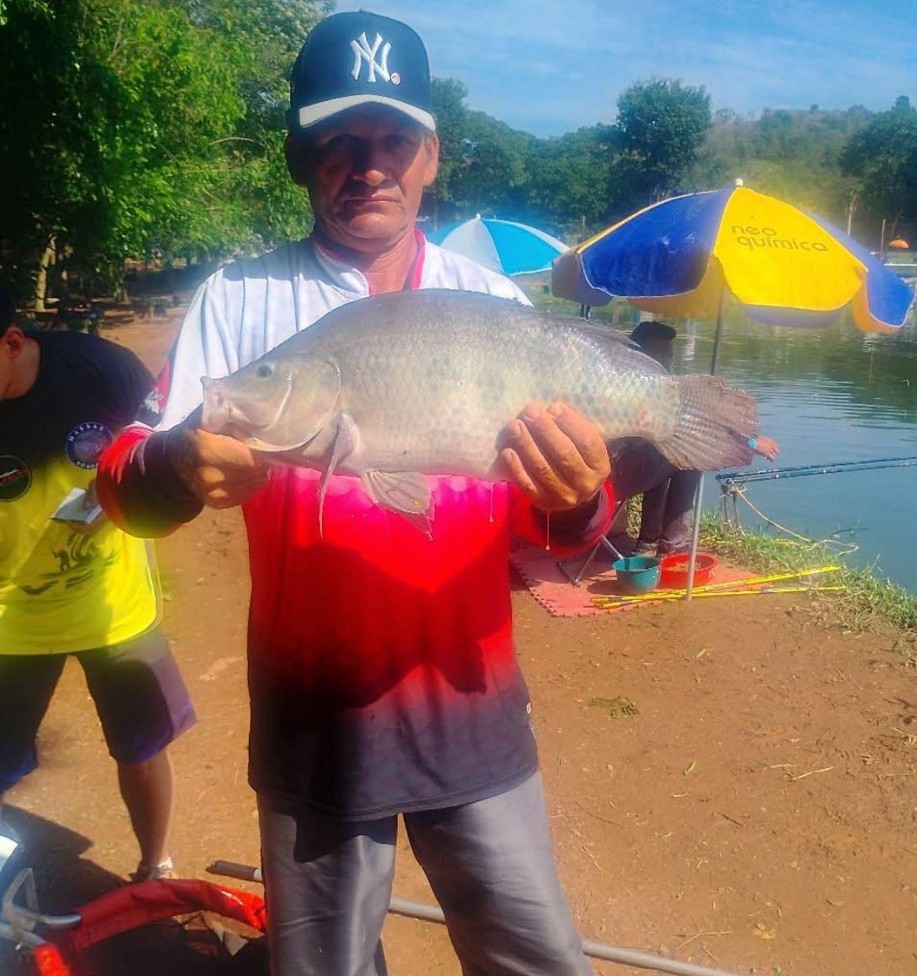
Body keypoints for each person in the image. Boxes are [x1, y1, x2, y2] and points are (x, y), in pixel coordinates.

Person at [96, 11, 613, 976]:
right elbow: (126, 488)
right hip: (315, 717)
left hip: (474, 704)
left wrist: (580, 497)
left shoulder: (493, 304)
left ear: (430, 158)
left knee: (534, 960)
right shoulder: (239, 302)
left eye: (394, 139)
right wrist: (173, 466)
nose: (367, 163)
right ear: (302, 156)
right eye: (339, 139)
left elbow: (565, 521)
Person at [0, 282, 195, 883]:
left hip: (114, 602)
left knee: (141, 747)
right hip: (10, 622)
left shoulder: (99, 368)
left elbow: (161, 447)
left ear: (12, 343)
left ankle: (154, 864)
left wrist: (135, 494)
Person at [610, 320, 779, 556]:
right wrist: (751, 443)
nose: (669, 359)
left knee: (664, 450)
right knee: (688, 456)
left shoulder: (616, 380)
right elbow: (698, 429)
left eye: (669, 353)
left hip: (610, 473)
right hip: (612, 479)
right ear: (643, 354)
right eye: (663, 353)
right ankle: (673, 546)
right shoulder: (642, 388)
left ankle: (649, 543)